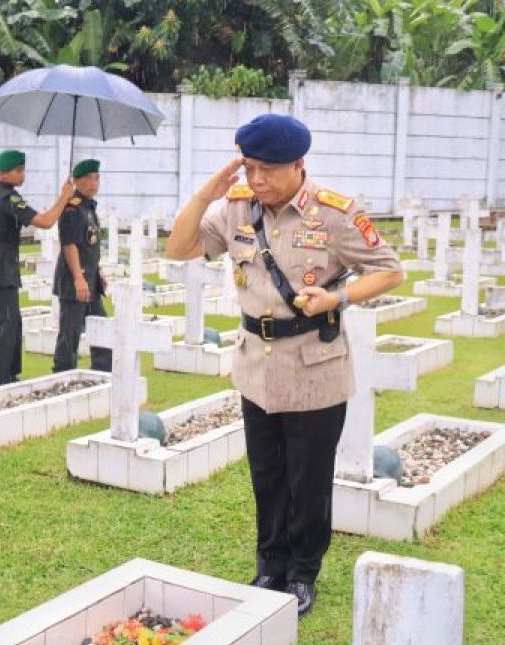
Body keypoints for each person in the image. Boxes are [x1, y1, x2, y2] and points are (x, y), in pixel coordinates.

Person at [166, 114, 404, 617]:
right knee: (266, 473)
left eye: (267, 170)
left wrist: (337, 297)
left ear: (298, 165)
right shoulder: (235, 210)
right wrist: (205, 195)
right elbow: (179, 247)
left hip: (316, 367)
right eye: (249, 168)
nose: (256, 180)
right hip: (257, 367)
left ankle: (301, 572)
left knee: (308, 479)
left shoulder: (335, 214)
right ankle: (270, 564)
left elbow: (390, 271)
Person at [0, 149, 72, 388]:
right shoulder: (10, 199)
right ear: (5, 173)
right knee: (4, 330)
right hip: (1, 274)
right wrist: (64, 197)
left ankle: (9, 375)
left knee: (13, 323)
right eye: (19, 170)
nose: (23, 175)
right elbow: (46, 221)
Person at [52, 158, 112, 373]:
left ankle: (103, 373)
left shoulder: (88, 207)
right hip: (74, 281)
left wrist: (97, 272)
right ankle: (62, 376)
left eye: (97, 178)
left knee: (102, 328)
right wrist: (78, 278)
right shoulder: (72, 209)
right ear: (75, 181)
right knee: (70, 333)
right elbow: (70, 245)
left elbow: (89, 245)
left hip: (91, 280)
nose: (93, 183)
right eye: (87, 178)